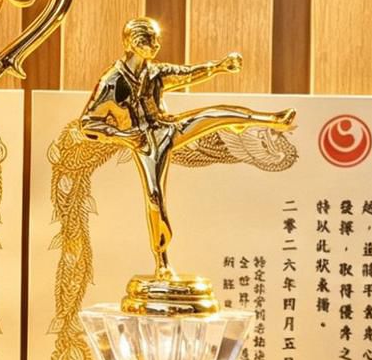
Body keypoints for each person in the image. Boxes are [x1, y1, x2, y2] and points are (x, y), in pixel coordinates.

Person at [80, 17, 296, 276]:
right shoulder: (112, 82)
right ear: (135, 43)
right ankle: (162, 261)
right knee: (155, 197)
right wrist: (123, 136)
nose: (157, 46)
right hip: (145, 143)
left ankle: (271, 120)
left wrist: (219, 67)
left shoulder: (155, 72)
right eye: (151, 41)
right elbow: (88, 124)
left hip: (168, 128)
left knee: (214, 114)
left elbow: (187, 74)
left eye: (157, 40)